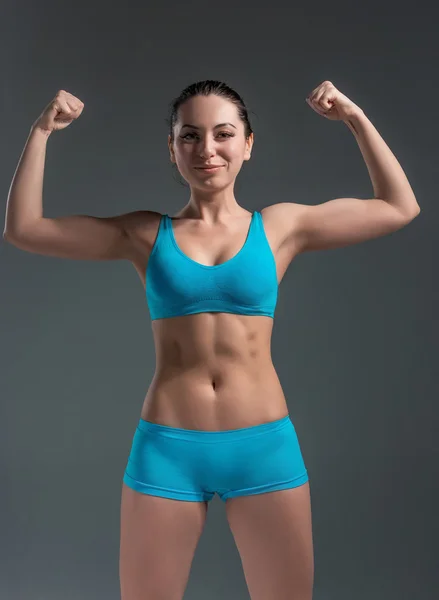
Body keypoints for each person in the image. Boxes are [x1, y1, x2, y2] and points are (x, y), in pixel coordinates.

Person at [3, 79, 420, 600]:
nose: (207, 150)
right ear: (173, 148)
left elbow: (399, 206)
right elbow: (24, 229)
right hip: (168, 448)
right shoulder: (144, 234)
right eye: (189, 136)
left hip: (264, 447)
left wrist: (355, 116)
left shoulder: (281, 227)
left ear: (248, 144)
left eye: (223, 134)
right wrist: (42, 131)